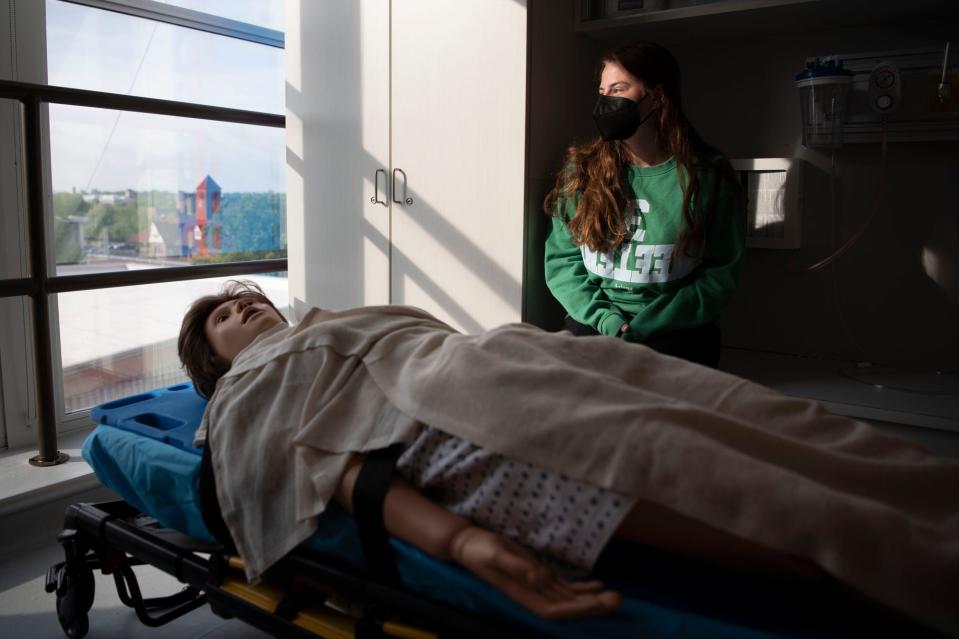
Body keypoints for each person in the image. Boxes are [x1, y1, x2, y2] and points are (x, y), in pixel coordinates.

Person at [178, 281, 959, 636]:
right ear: (212, 363)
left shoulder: (335, 319)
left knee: (766, 421)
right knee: (780, 524)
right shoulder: (242, 395)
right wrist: (460, 540)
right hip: (471, 434)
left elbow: (423, 344)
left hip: (509, 362)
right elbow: (335, 468)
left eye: (247, 295)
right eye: (221, 314)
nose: (241, 303)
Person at [544, 42, 746, 367]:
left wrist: (648, 326)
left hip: (678, 329)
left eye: (619, 89)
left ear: (656, 96)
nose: (607, 101)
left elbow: (720, 273)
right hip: (595, 323)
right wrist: (605, 319)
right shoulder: (582, 170)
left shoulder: (707, 175)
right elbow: (562, 261)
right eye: (603, 91)